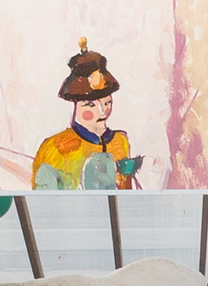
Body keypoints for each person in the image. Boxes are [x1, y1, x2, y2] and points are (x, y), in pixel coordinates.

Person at [31, 40, 142, 191]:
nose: (102, 112)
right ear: (76, 105)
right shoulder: (55, 146)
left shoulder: (120, 141)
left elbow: (125, 193)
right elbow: (43, 195)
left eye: (107, 103)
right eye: (90, 105)